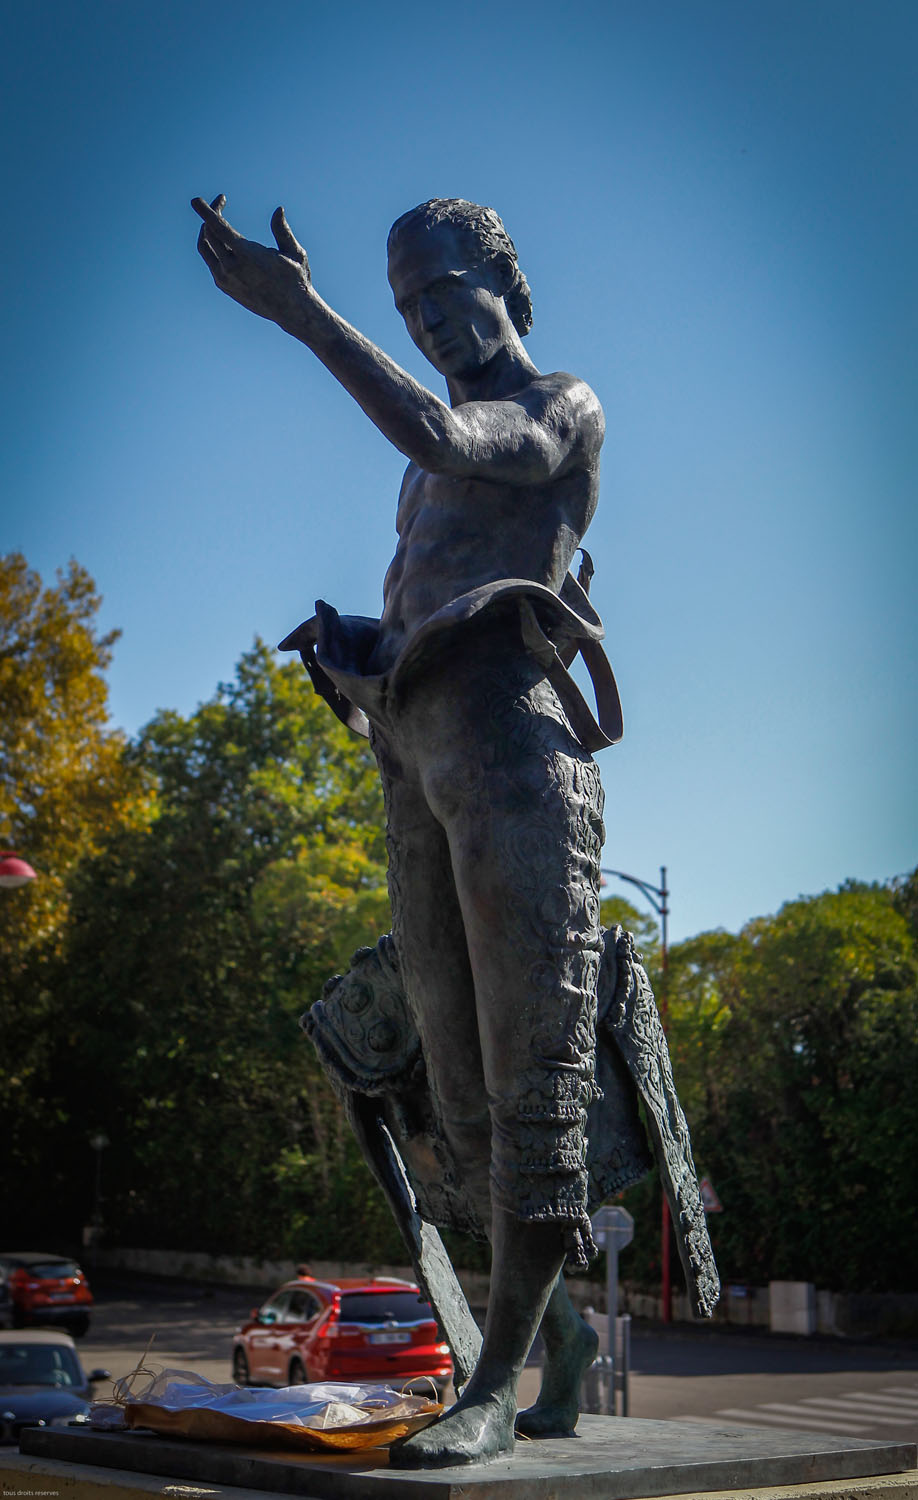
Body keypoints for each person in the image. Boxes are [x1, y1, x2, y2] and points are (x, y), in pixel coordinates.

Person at [192, 193, 636, 1466]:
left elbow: (450, 433)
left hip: (515, 759)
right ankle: (552, 1338)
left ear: (511, 287)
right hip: (414, 756)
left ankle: (493, 1387)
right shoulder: (419, 469)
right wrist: (355, 648)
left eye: (447, 292)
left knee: (530, 1083)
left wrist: (304, 316)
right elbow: (426, 571)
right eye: (408, 307)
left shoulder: (561, 404)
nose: (433, 320)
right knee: (455, 1098)